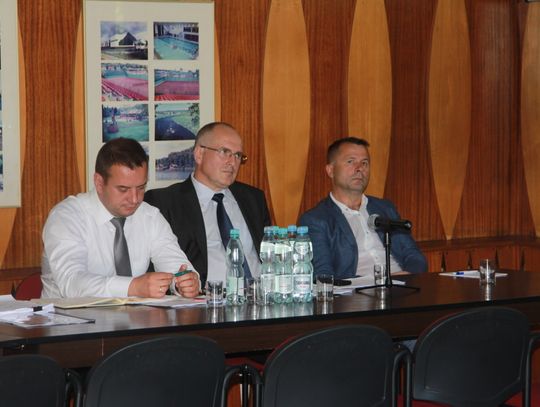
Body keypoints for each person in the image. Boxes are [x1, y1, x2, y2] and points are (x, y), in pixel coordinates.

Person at [41, 137, 200, 298]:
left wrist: (185, 283)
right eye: (123, 189)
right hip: (67, 314)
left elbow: (177, 265)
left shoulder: (149, 216)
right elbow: (72, 283)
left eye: (141, 188)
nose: (135, 199)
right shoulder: (66, 217)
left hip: (138, 314)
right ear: (99, 183)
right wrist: (133, 287)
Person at [145, 122, 271, 286]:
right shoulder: (164, 202)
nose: (232, 162)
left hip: (259, 295)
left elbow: (269, 255)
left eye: (238, 155)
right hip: (204, 298)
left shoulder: (253, 198)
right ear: (199, 154)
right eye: (224, 152)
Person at [299, 137, 427, 279]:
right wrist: (373, 283)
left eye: (364, 163)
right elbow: (323, 274)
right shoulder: (316, 219)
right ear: (330, 170)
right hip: (358, 289)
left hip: (400, 284)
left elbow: (414, 256)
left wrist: (408, 276)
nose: (359, 168)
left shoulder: (385, 208)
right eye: (351, 161)